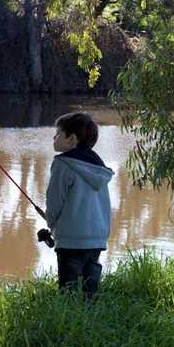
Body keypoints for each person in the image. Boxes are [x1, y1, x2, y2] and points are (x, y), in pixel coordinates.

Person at [42, 112, 114, 298]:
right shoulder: (99, 167)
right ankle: (90, 320)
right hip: (96, 238)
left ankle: (69, 324)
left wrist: (51, 224)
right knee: (89, 291)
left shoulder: (62, 164)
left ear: (72, 139)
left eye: (58, 133)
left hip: (71, 240)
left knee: (68, 291)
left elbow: (55, 200)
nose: (54, 137)